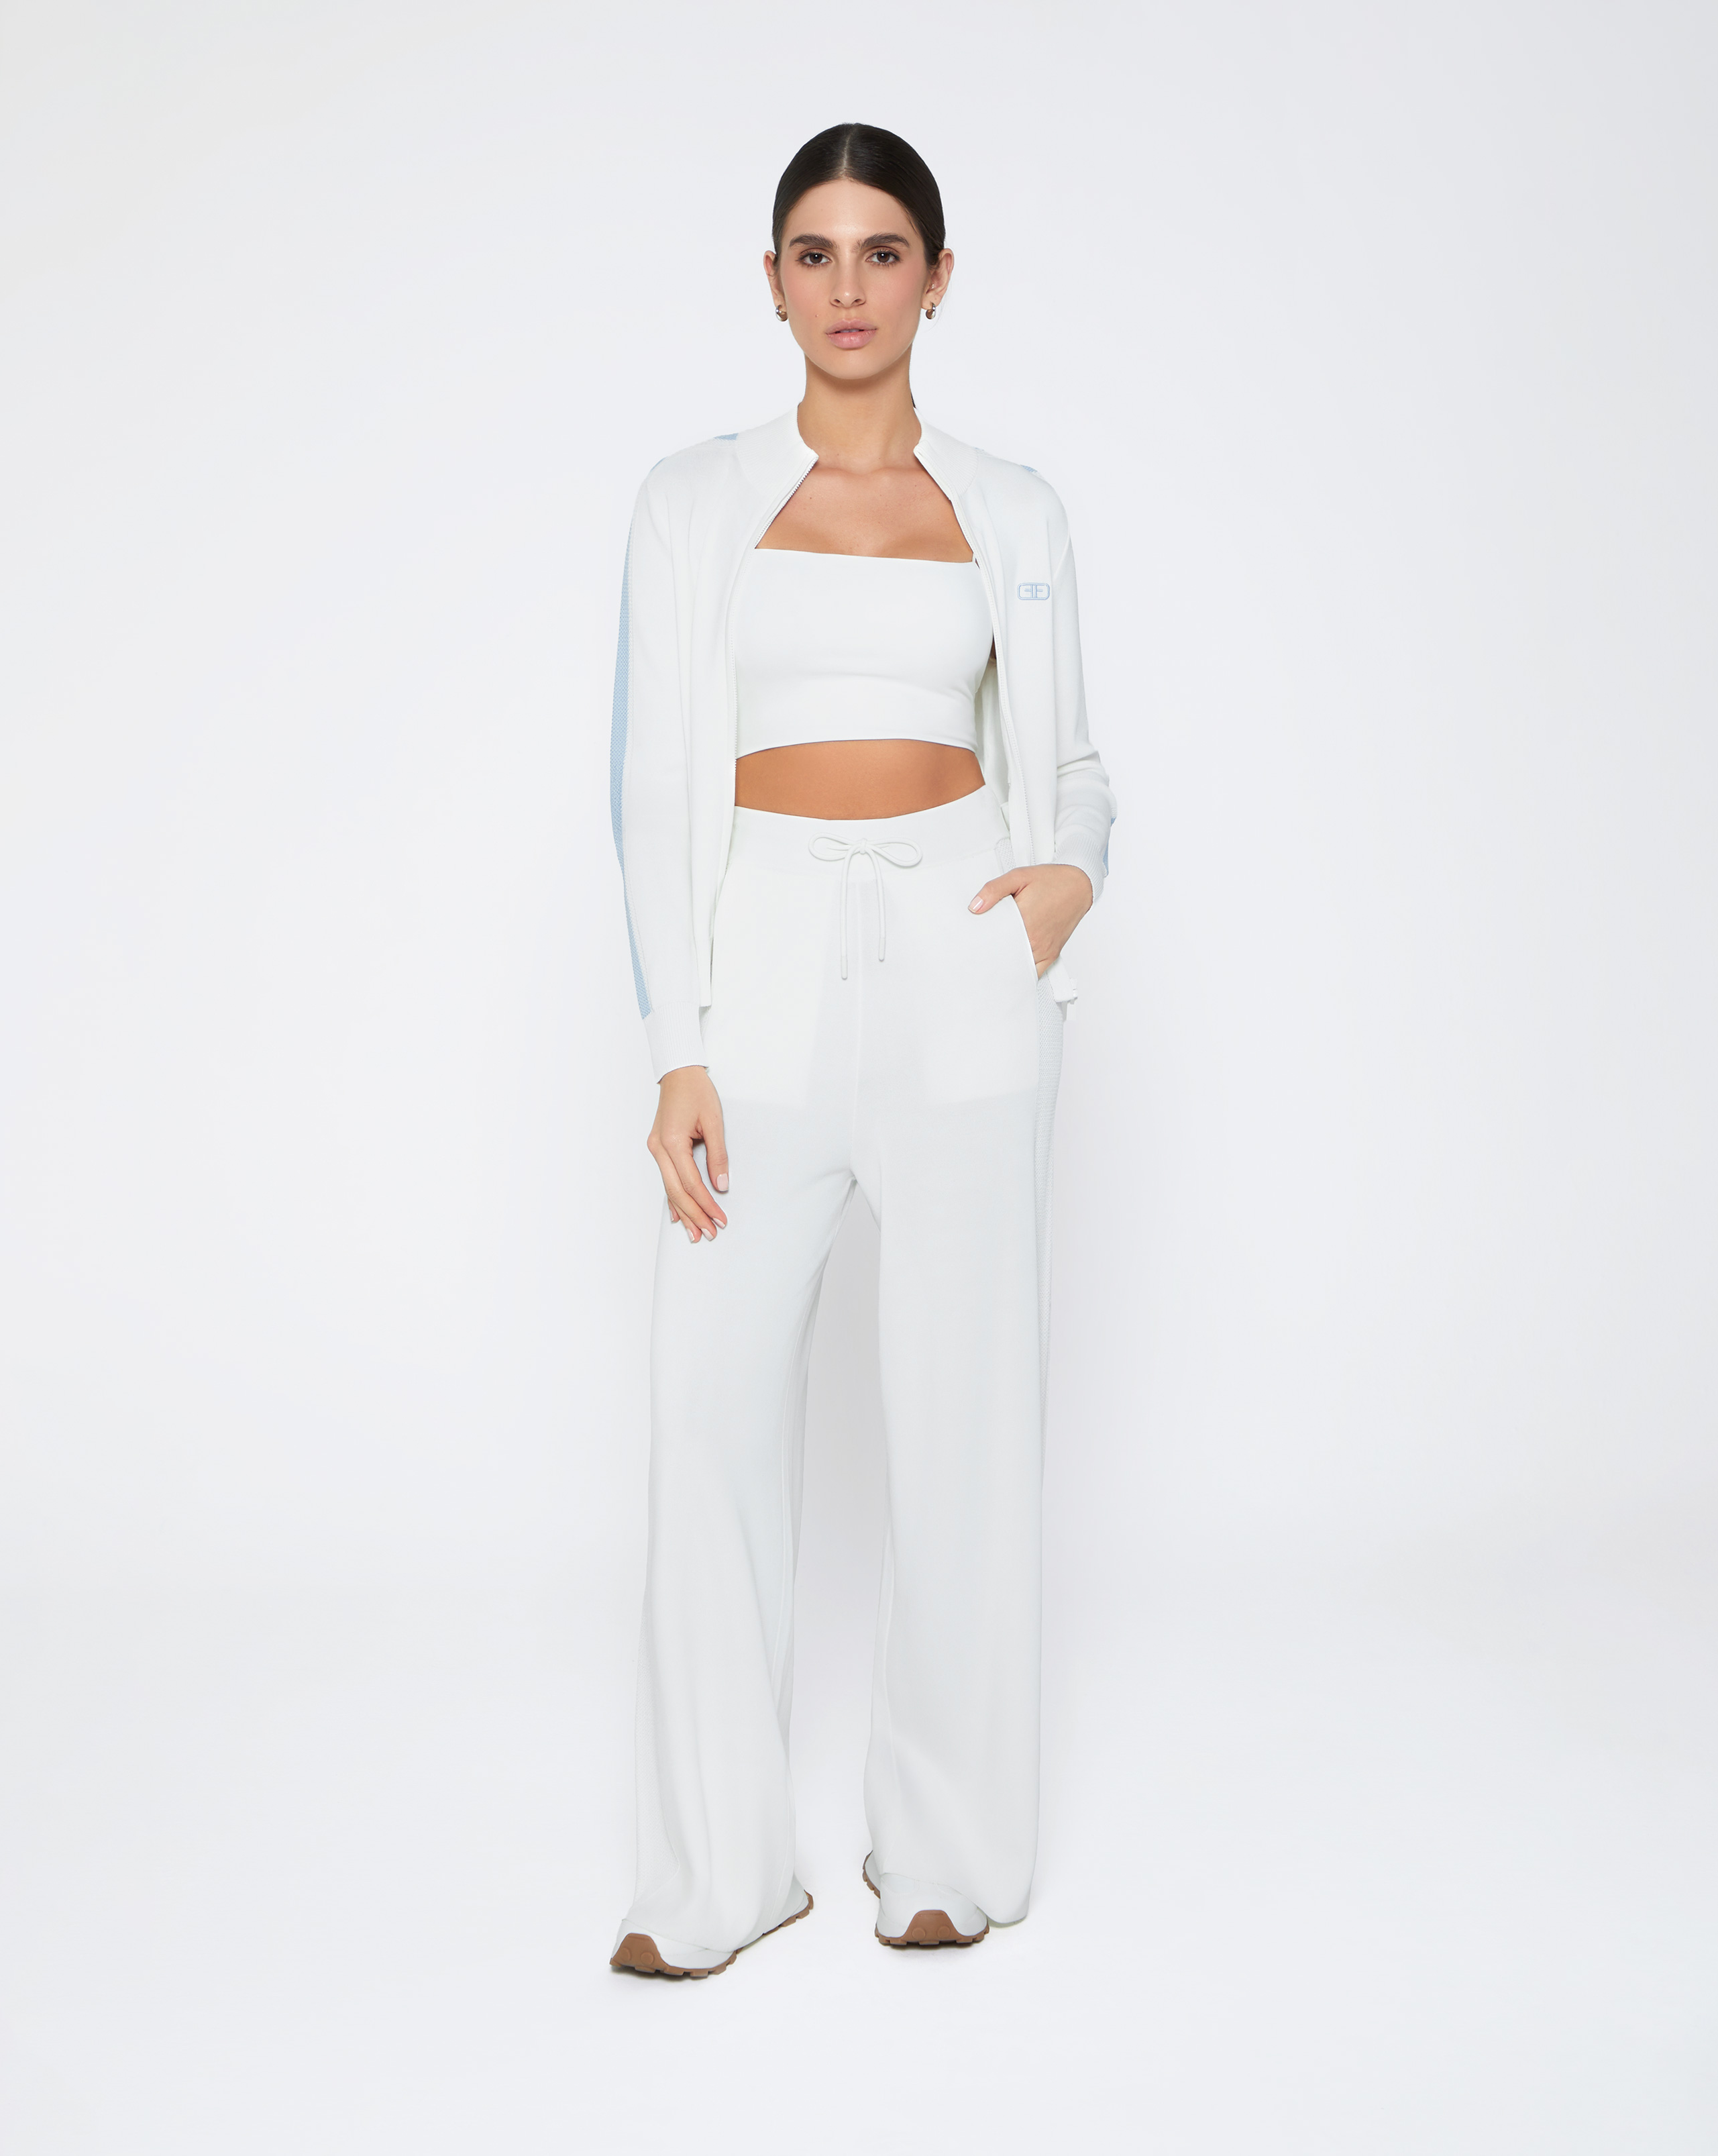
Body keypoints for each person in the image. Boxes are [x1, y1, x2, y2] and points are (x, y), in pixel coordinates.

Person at [607, 121, 1114, 1978]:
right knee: (706, 1414)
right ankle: (717, 1873)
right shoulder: (693, 501)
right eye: (813, 253)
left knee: (965, 1415)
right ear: (771, 282)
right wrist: (677, 1047)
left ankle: (949, 1852)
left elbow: (1072, 767)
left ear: (937, 278)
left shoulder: (1015, 510)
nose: (847, 286)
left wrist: (1059, 894)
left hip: (962, 966)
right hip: (758, 981)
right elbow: (653, 785)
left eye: (882, 251)